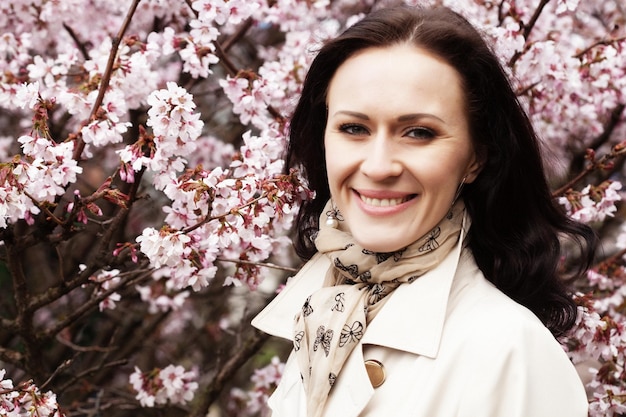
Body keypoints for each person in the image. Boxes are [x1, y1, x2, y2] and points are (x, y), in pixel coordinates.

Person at [252, 4, 597, 417]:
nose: (379, 166)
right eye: (354, 128)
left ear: (476, 157)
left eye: (419, 132)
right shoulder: (322, 312)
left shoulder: (511, 351)